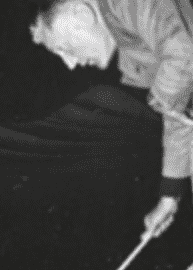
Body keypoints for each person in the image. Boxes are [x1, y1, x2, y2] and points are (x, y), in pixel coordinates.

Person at [30, 0, 193, 239]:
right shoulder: (131, 53)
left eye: (63, 48)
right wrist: (170, 195)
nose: (70, 64)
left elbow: (182, 52)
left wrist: (161, 99)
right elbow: (181, 111)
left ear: (81, 13)